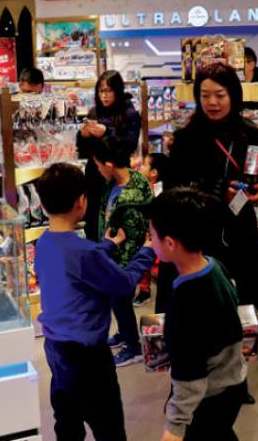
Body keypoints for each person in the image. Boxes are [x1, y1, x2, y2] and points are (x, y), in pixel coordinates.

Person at [34, 162, 156, 441]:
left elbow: (74, 266)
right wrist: (147, 252)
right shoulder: (85, 252)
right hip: (88, 357)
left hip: (56, 348)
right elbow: (123, 283)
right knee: (108, 427)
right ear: (81, 201)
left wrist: (107, 247)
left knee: (67, 422)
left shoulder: (43, 243)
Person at [162, 63, 258, 313]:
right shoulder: (186, 138)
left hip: (239, 227)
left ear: (233, 95)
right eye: (205, 96)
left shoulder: (249, 133)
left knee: (242, 301)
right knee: (202, 305)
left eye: (220, 95)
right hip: (199, 231)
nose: (212, 102)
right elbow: (173, 188)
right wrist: (218, 191)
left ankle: (243, 333)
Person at [149, 187, 248, 441]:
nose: (150, 241)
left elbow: (189, 375)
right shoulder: (214, 266)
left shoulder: (185, 303)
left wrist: (174, 428)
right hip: (233, 380)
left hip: (208, 398)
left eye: (152, 235)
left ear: (170, 243)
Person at [91, 136, 153, 367]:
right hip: (112, 255)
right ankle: (125, 333)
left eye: (98, 165)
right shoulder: (114, 184)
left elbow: (135, 237)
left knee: (121, 301)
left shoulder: (132, 198)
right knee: (118, 303)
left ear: (108, 165)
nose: (98, 170)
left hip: (123, 261)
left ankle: (133, 346)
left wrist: (121, 269)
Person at [77, 70, 142, 241]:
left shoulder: (129, 113)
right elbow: (82, 151)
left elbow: (129, 145)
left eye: (108, 90)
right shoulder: (94, 113)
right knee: (93, 222)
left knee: (115, 221)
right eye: (100, 91)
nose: (104, 96)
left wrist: (106, 132)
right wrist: (83, 135)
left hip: (117, 175)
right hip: (94, 174)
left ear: (117, 90)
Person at [134, 152, 170, 307]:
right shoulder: (143, 187)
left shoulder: (158, 193)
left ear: (153, 172)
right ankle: (143, 289)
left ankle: (145, 290)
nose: (139, 167)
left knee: (149, 259)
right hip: (147, 232)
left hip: (154, 234)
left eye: (144, 164)